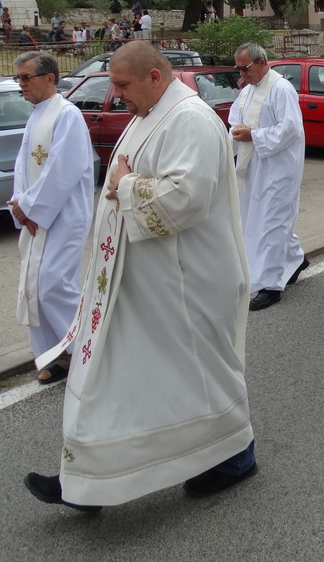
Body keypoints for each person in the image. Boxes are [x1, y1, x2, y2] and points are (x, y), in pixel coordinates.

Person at [23, 41, 256, 511]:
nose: (115, 94)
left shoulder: (190, 120)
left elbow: (187, 198)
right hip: (137, 284)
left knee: (202, 377)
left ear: (154, 77)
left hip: (185, 283)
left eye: (122, 84)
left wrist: (125, 185)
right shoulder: (148, 114)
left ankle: (235, 458)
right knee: (118, 378)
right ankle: (90, 479)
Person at [7, 51, 93, 383]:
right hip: (38, 215)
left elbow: (63, 169)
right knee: (35, 286)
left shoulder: (67, 115)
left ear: (50, 78)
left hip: (65, 215)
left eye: (26, 77)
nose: (21, 84)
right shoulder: (36, 115)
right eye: (18, 78)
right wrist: (19, 203)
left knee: (54, 285)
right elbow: (22, 166)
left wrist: (30, 208)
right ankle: (57, 356)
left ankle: (87, 350)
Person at [229, 42, 308, 310]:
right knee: (257, 219)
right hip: (254, 167)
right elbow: (234, 123)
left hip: (279, 169)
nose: (242, 74)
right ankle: (296, 258)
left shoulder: (281, 89)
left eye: (245, 68)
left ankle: (271, 286)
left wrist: (253, 135)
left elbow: (291, 129)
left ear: (262, 62)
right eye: (238, 69)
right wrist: (231, 141)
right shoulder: (247, 91)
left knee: (273, 222)